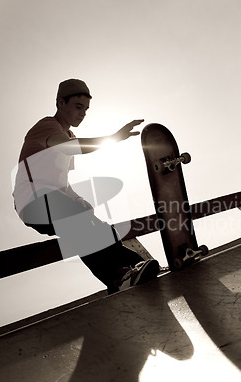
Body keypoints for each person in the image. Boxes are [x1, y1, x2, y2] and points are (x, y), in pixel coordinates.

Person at [13, 78, 159, 294]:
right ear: (61, 102)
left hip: (54, 199)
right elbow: (72, 148)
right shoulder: (46, 127)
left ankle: (132, 267)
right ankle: (117, 277)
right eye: (78, 107)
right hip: (33, 202)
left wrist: (78, 200)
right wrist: (115, 137)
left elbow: (62, 183)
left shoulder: (69, 135)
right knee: (78, 221)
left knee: (94, 227)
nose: (82, 114)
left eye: (86, 110)